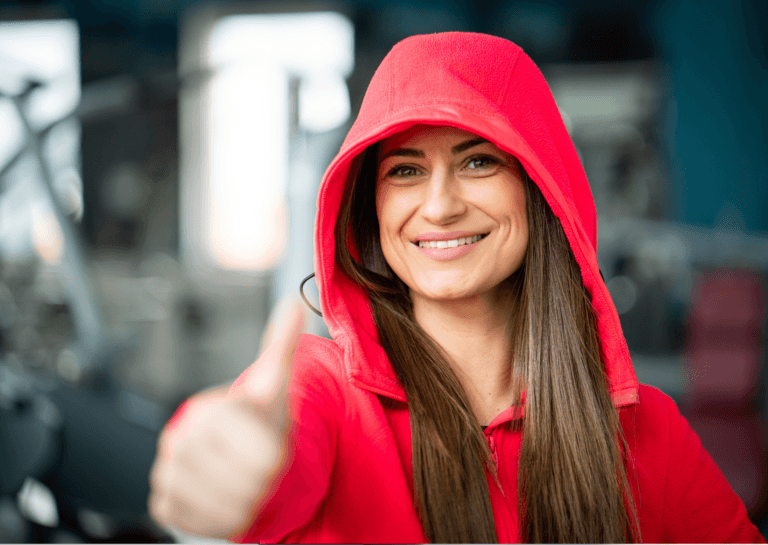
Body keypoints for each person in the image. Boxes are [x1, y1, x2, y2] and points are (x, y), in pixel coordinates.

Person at [148, 32, 765, 543]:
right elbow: (255, 467)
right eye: (407, 170)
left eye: (477, 161)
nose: (439, 206)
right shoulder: (326, 393)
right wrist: (216, 475)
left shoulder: (645, 431)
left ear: (538, 187)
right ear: (371, 208)